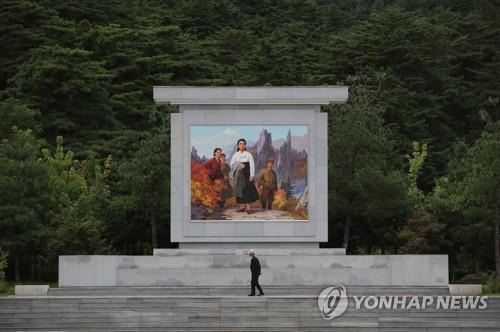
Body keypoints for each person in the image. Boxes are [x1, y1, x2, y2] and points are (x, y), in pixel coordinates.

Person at [229, 138, 259, 214]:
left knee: (247, 190)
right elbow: (231, 164)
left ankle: (248, 208)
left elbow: (252, 165)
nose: (242, 145)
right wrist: (239, 165)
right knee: (240, 190)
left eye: (243, 144)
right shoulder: (236, 154)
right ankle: (242, 207)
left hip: (247, 175)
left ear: (245, 145)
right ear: (238, 145)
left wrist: (252, 175)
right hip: (239, 175)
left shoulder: (248, 154)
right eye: (240, 144)